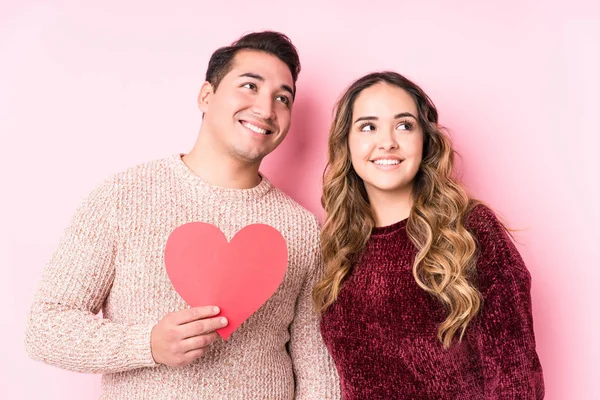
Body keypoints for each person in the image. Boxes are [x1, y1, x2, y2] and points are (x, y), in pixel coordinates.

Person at [25, 31, 340, 399]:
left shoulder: (301, 228)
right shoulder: (123, 197)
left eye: (282, 98)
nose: (266, 109)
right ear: (206, 96)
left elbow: (317, 368)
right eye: (250, 86)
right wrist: (147, 345)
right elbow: (45, 327)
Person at [314, 71, 544, 399]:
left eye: (404, 125)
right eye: (368, 126)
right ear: (346, 144)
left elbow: (515, 374)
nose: (387, 141)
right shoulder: (338, 249)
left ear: (425, 140)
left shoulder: (470, 230)